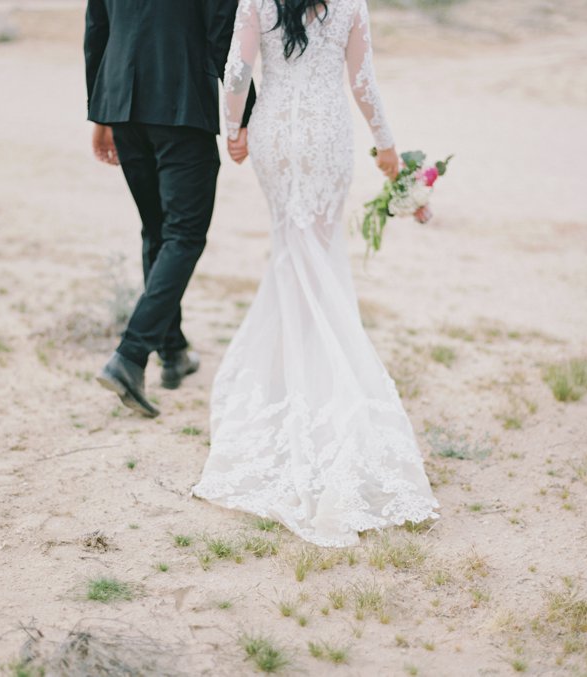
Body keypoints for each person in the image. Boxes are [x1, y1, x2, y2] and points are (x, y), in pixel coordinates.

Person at [190, 0, 440, 547]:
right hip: (327, 137)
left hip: (274, 134)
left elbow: (237, 69)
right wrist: (389, 145)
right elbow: (364, 82)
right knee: (317, 258)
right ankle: (325, 386)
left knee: (289, 253)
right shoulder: (351, 3)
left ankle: (291, 384)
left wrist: (232, 128)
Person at [84, 0, 255, 418]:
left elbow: (96, 32)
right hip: (180, 107)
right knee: (184, 235)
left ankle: (173, 352)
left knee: (157, 232)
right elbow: (223, 39)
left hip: (123, 103)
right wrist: (246, 114)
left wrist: (101, 113)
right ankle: (131, 354)